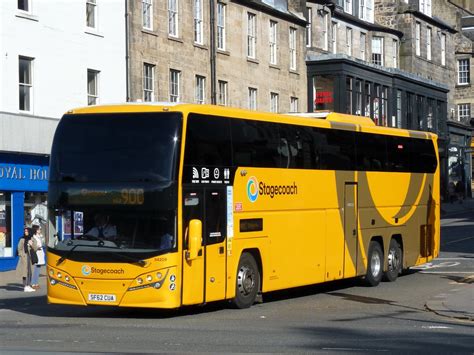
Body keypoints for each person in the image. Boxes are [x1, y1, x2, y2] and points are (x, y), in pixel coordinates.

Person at [16, 227, 37, 292]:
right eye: (25, 231)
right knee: (24, 272)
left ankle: (29, 285)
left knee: (30, 272)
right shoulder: (22, 239)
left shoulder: (33, 239)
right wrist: (21, 255)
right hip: (24, 258)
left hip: (30, 258)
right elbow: (19, 249)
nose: (26, 232)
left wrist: (31, 244)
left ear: (30, 232)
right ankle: (25, 286)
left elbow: (35, 249)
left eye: (27, 231)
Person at [31, 225, 46, 289]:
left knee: (38, 269)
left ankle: (36, 283)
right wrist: (38, 247)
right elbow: (33, 246)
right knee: (35, 269)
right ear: (36, 230)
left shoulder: (39, 236)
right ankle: (33, 283)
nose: (40, 230)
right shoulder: (33, 237)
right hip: (36, 254)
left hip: (40, 254)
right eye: (39, 229)